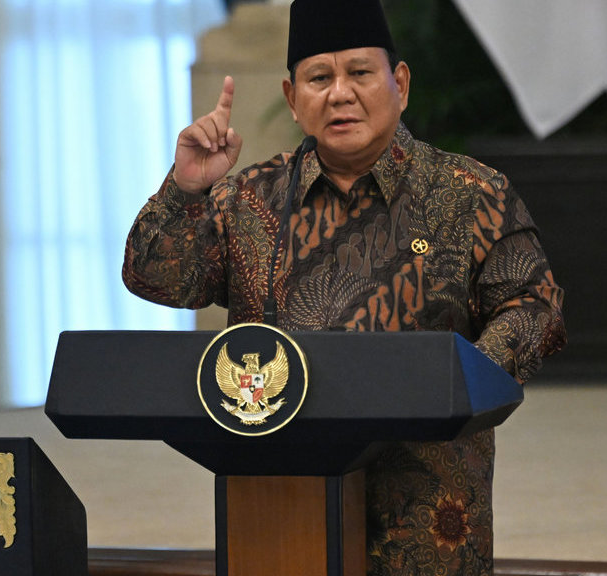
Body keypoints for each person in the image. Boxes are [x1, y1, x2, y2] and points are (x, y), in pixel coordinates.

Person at [122, 0, 565, 574]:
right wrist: (186, 190)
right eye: (318, 78)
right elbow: (154, 277)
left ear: (398, 83)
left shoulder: (469, 193)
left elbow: (536, 304)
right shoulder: (249, 199)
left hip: (426, 514)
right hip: (280, 503)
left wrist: (463, 381)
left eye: (359, 73)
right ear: (292, 98)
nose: (339, 93)